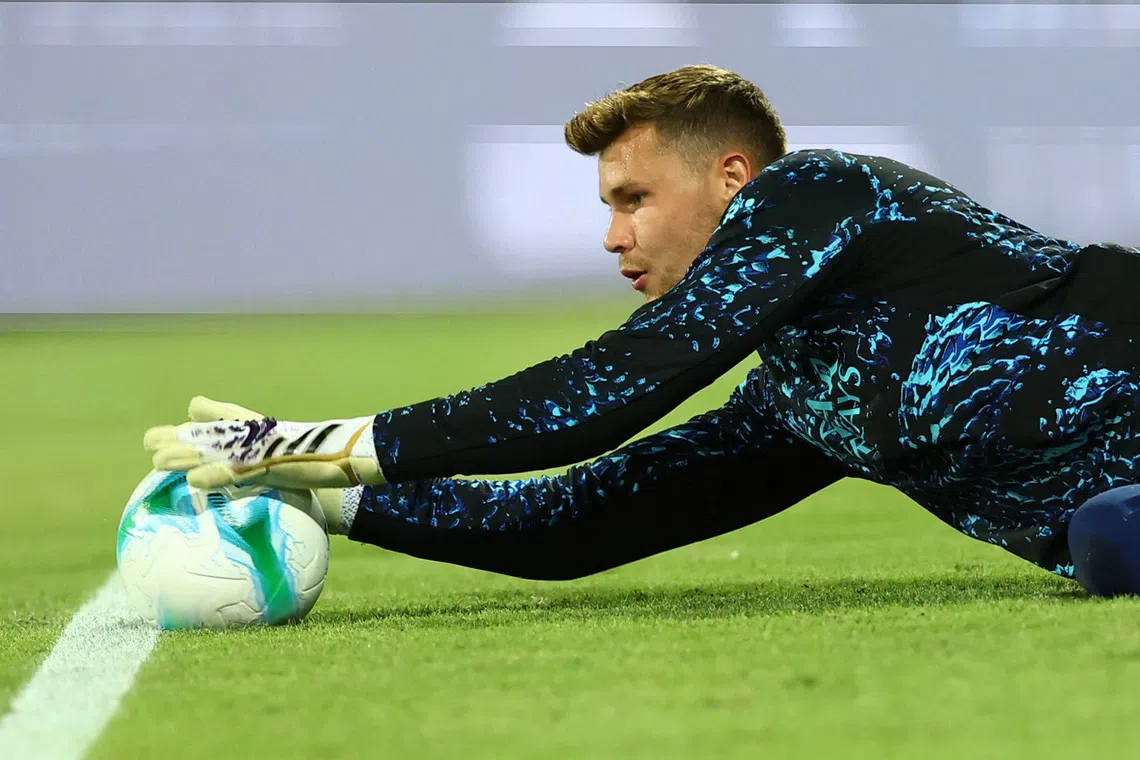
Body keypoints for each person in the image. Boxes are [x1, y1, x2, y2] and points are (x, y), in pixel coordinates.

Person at [144, 64, 1140, 598]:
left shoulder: (822, 191)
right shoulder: (805, 403)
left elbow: (608, 390)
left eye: (634, 197)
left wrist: (324, 441)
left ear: (733, 180)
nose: (614, 235)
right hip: (1114, 516)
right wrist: (327, 498)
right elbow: (575, 523)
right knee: (1106, 538)